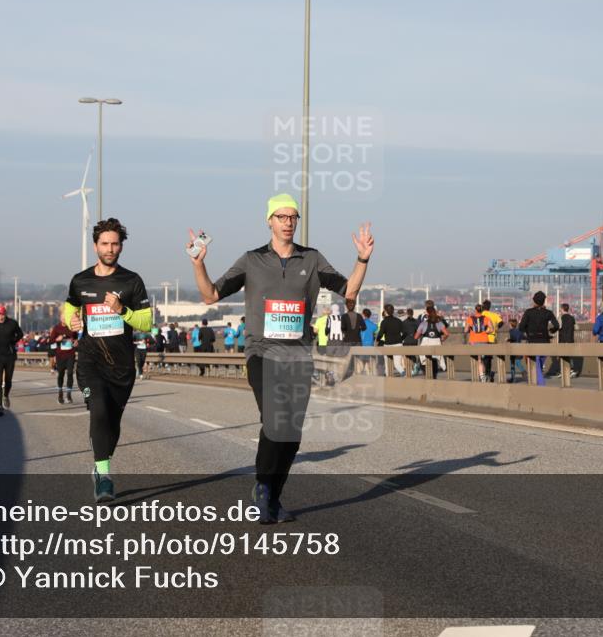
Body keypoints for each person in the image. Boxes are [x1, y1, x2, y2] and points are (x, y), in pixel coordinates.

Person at [188, 193, 372, 523]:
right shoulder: (251, 260)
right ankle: (261, 486)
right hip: (262, 353)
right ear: (269, 221)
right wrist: (199, 265)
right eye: (281, 217)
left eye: (293, 217)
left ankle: (273, 495)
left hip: (298, 356)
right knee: (275, 420)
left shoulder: (312, 259)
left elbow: (349, 293)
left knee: (292, 431)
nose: (288, 222)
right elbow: (210, 295)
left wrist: (362, 261)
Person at [64, 218, 152, 502]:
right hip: (90, 361)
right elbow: (69, 308)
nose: (110, 248)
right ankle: (104, 477)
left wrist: (122, 309)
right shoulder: (81, 281)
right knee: (99, 410)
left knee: (112, 424)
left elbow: (146, 323)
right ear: (95, 246)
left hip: (122, 366)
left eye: (115, 243)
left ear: (121, 246)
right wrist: (71, 321)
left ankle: (101, 460)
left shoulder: (132, 281)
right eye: (105, 243)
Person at [0, 304, 24, 417]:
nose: (0, 317)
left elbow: (20, 334)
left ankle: (6, 395)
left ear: (5, 314)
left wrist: (13, 340)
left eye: (2, 314)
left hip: (10, 355)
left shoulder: (12, 323)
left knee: (8, 380)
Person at [518, 291, 559, 385]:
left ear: (534, 301)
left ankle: (540, 385)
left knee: (536, 363)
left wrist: (528, 332)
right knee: (539, 364)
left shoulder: (528, 312)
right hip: (545, 341)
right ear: (544, 301)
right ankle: (538, 382)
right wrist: (552, 331)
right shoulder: (548, 313)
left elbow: (521, 327)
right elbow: (557, 325)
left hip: (532, 341)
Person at [547, 303, 582, 379]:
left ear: (562, 309)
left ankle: (563, 371)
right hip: (570, 339)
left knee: (562, 356)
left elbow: (558, 326)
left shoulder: (560, 317)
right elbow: (577, 327)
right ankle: (572, 370)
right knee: (569, 355)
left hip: (562, 339)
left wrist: (551, 330)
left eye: (560, 309)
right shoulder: (572, 318)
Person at [415, 304, 449, 378]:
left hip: (426, 344)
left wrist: (421, 334)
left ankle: (426, 375)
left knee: (424, 360)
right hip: (436, 343)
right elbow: (447, 334)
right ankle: (435, 376)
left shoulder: (423, 324)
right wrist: (442, 338)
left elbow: (416, 337)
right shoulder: (439, 323)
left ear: (427, 313)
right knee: (435, 361)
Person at [49, 319, 78, 403]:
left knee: (70, 373)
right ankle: (60, 393)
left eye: (66, 317)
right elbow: (50, 340)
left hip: (70, 354)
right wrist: (57, 339)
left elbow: (75, 338)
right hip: (60, 355)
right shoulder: (57, 328)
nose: (65, 319)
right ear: (60, 318)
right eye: (63, 317)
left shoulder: (71, 327)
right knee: (61, 374)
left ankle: (69, 395)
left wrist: (76, 341)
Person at [464, 304, 494, 382]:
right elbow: (492, 329)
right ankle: (485, 374)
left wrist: (470, 330)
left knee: (479, 360)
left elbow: (466, 330)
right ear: (482, 310)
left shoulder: (470, 319)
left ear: (475, 310)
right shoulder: (486, 318)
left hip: (474, 341)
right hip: (484, 340)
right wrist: (485, 331)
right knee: (484, 359)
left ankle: (482, 376)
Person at [376, 304, 405, 377]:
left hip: (388, 344)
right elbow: (405, 332)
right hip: (398, 344)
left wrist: (377, 340)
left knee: (387, 363)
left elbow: (380, 334)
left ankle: (388, 379)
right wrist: (401, 339)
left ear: (385, 312)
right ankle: (404, 374)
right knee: (397, 364)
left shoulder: (384, 322)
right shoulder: (398, 321)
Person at [481, 300, 503, 382]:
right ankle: (489, 373)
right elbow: (501, 322)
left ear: (483, 307)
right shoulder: (494, 315)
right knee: (488, 358)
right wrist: (496, 328)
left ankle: (486, 374)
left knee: (483, 358)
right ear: (489, 307)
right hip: (493, 338)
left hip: (484, 338)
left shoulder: (482, 314)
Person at [507, 317, 526, 383]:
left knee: (513, 364)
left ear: (511, 324)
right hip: (519, 348)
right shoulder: (519, 331)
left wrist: (508, 340)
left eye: (509, 324)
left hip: (513, 349)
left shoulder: (511, 331)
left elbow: (514, 339)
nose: (508, 325)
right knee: (517, 362)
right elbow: (524, 337)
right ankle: (523, 372)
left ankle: (514, 377)